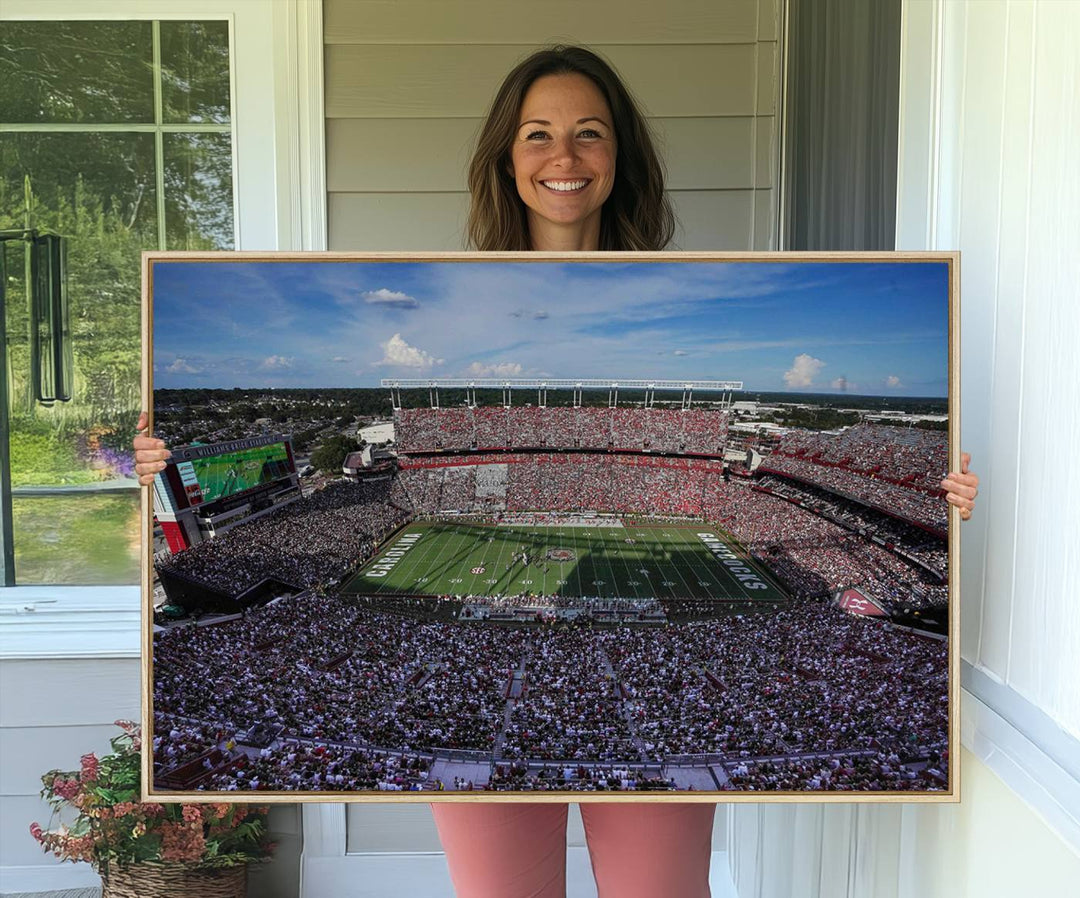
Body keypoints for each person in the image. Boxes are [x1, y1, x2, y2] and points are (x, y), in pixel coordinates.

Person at [134, 45, 979, 898]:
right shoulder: (457, 299)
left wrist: (941, 497)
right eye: (537, 134)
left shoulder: (678, 292)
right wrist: (151, 466)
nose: (564, 157)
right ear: (507, 156)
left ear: (621, 156)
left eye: (589, 134)